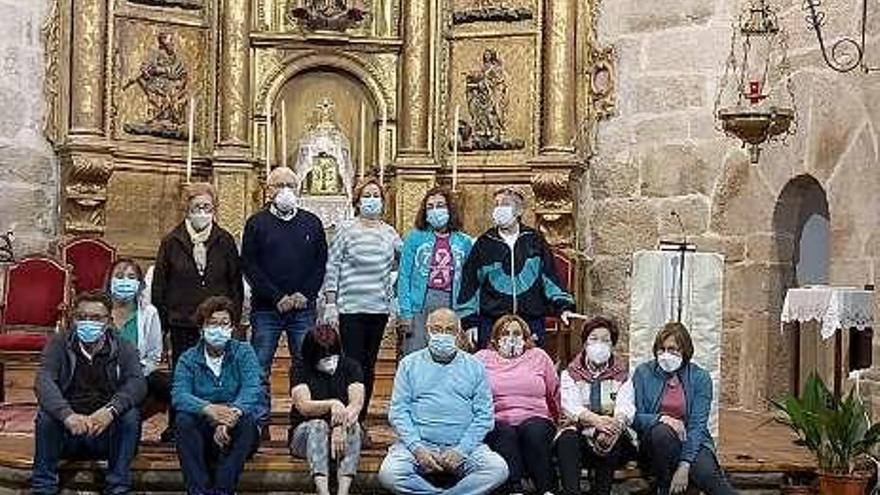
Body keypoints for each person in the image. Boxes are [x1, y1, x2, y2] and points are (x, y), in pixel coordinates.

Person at [377, 308, 508, 495]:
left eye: (449, 330)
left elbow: (485, 417)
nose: (443, 335)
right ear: (427, 331)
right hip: (419, 446)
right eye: (437, 329)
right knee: (389, 474)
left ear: (458, 333)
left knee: (498, 469)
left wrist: (462, 450)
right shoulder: (409, 364)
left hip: (464, 447)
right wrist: (417, 449)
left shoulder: (475, 366)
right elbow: (398, 413)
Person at [32, 291, 146, 495]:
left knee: (130, 415)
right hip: (70, 431)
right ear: (73, 319)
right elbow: (44, 381)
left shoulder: (123, 346)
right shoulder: (59, 344)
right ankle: (43, 487)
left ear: (109, 321)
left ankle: (117, 488)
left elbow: (137, 383)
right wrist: (66, 415)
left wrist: (110, 411)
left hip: (106, 432)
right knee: (46, 416)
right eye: (82, 317)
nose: (88, 322)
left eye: (96, 318)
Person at [152, 182, 243, 436]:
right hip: (183, 320)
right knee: (184, 375)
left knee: (219, 373)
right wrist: (162, 325)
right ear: (187, 209)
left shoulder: (224, 240)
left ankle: (220, 422)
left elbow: (235, 282)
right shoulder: (172, 241)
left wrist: (232, 319)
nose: (202, 211)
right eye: (197, 207)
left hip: (218, 324)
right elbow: (160, 285)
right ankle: (179, 423)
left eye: (207, 207)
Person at [616, 322, 736, 495]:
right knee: (662, 432)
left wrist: (684, 466)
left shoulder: (700, 377)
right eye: (661, 349)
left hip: (692, 442)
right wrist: (663, 419)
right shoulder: (643, 373)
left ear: (684, 351)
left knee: (708, 475)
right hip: (654, 445)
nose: (666, 355)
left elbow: (697, 426)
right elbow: (634, 418)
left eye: (672, 349)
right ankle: (664, 488)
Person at [322, 177, 401, 427]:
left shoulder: (390, 232)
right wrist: (331, 302)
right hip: (350, 308)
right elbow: (333, 265)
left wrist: (394, 294)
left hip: (377, 308)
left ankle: (360, 418)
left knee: (369, 365)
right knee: (352, 364)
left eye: (376, 195)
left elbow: (405, 262)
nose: (371, 200)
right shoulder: (347, 229)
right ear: (357, 201)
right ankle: (345, 417)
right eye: (367, 195)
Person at [458, 186, 576, 349]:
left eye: (505, 204)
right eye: (497, 204)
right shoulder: (484, 243)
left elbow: (550, 279)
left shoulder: (535, 240)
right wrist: (469, 321)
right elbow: (470, 284)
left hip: (530, 320)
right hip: (493, 320)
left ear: (519, 211)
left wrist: (563, 306)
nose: (499, 208)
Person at [172, 296, 267, 495]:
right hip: (203, 430)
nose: (218, 329)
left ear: (232, 328)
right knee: (182, 420)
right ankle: (198, 491)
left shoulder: (244, 352)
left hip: (236, 427)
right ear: (201, 328)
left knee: (248, 423)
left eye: (224, 324)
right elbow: (179, 395)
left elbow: (252, 389)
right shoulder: (188, 358)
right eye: (212, 323)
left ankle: (223, 491)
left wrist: (229, 417)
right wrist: (209, 409)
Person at [242, 166, 327, 373]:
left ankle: (302, 405)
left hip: (303, 308)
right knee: (260, 365)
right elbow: (249, 264)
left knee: (305, 364)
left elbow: (320, 262)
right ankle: (258, 406)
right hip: (266, 308)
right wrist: (277, 297)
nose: (286, 190)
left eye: (290, 185)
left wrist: (305, 294)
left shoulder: (312, 222)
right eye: (280, 185)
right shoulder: (256, 223)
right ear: (269, 191)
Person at [475, 314, 560, 495]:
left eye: (516, 333)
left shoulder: (539, 356)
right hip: (497, 421)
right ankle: (514, 489)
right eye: (505, 333)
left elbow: (554, 393)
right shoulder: (482, 358)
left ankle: (547, 490)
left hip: (536, 419)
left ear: (525, 337)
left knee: (533, 430)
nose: (511, 338)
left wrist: (559, 421)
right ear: (495, 339)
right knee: (504, 432)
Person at [556, 317, 635, 495]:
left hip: (610, 438)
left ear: (612, 345)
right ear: (585, 343)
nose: (599, 344)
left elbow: (626, 406)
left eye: (605, 340)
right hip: (580, 437)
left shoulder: (622, 374)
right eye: (594, 339)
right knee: (567, 438)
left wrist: (614, 426)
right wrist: (596, 421)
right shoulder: (570, 374)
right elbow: (571, 407)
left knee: (611, 437)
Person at [289, 325, 365, 495]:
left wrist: (340, 425)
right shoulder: (300, 368)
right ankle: (322, 490)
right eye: (323, 357)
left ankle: (343, 490)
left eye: (332, 355)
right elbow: (304, 406)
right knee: (318, 425)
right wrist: (332, 404)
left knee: (353, 426)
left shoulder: (351, 366)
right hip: (306, 435)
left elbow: (356, 403)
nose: (329, 360)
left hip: (344, 435)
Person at [397, 187, 473, 354]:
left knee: (449, 354)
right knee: (415, 354)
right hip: (420, 304)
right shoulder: (415, 238)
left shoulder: (464, 242)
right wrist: (406, 312)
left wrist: (467, 313)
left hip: (452, 302)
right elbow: (404, 276)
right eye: (430, 207)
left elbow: (471, 282)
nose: (435, 211)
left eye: (440, 205)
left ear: (450, 209)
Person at [107, 258, 171, 419]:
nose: (125, 282)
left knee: (165, 384)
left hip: (137, 376)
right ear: (110, 281)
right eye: (119, 277)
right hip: (102, 377)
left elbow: (153, 356)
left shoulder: (149, 313)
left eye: (131, 277)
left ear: (139, 284)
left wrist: (135, 374)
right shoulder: (99, 311)